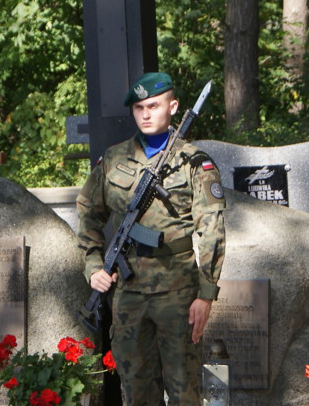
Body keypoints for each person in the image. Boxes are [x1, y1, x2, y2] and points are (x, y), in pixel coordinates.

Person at [76, 72, 227, 406]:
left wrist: (206, 295)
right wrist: (93, 265)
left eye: (154, 106)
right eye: (139, 107)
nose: (145, 114)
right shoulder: (113, 159)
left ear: (172, 107)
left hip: (179, 294)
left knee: (185, 392)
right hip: (128, 295)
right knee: (136, 393)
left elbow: (212, 229)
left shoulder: (194, 163)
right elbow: (88, 212)